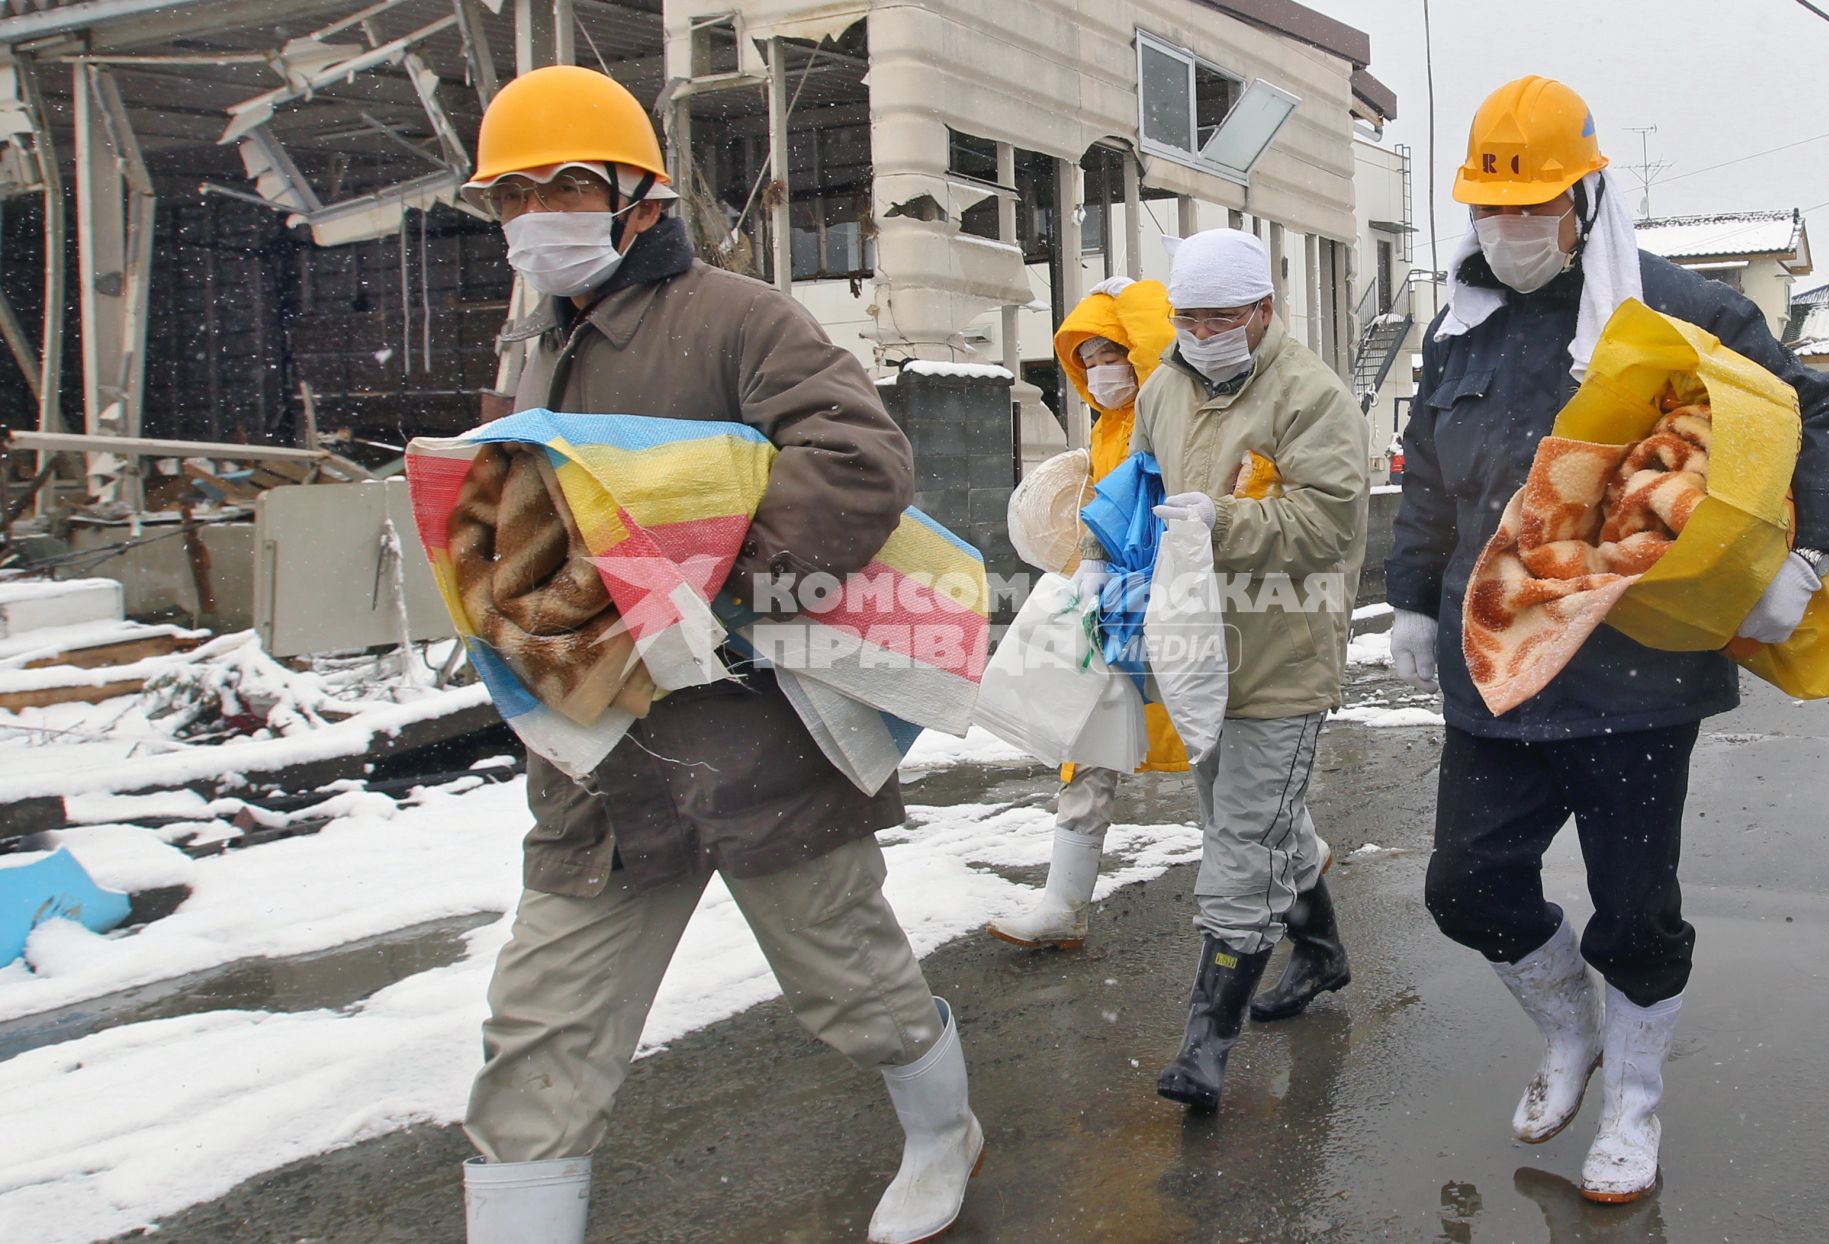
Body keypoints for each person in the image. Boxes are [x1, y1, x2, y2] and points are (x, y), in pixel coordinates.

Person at [454, 66, 982, 1244]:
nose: (540, 214)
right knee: (539, 1034)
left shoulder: (736, 318)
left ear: (639, 196)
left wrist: (709, 584)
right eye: (515, 194)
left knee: (858, 989)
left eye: (570, 185)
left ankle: (946, 1130)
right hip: (601, 767)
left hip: (756, 746)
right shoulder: (531, 340)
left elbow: (859, 460)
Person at [1387, 76, 1829, 1203]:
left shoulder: (1679, 307)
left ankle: (1636, 1100)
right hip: (1495, 667)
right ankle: (1571, 1030)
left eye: (1535, 207)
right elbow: (1431, 480)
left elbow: (1813, 413)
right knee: (1468, 885)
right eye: (1492, 210)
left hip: (1635, 672)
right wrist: (1410, 596)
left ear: (1585, 198)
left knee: (1635, 905)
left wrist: (1808, 555)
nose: (1511, 231)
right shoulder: (1462, 328)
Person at [1077, 229, 1369, 1111]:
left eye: (1218, 318)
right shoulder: (1165, 385)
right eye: (1186, 318)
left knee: (1241, 840)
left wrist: (1221, 526)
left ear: (1264, 311)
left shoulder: (1311, 397)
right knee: (1250, 812)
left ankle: (1207, 1045)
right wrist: (1103, 545)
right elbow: (1144, 483)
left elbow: (1327, 525)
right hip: (1197, 648)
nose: (1200, 333)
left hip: (1283, 653)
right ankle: (1320, 953)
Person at [986, 275, 1189, 950]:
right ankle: (1062, 905)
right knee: (1088, 748)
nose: (1102, 371)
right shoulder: (1105, 430)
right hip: (1115, 610)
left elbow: (1165, 349)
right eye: (1089, 360)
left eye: (1112, 354)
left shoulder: (1171, 405)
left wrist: (1137, 295)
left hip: (1183, 607)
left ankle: (1299, 858)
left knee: (1226, 751)